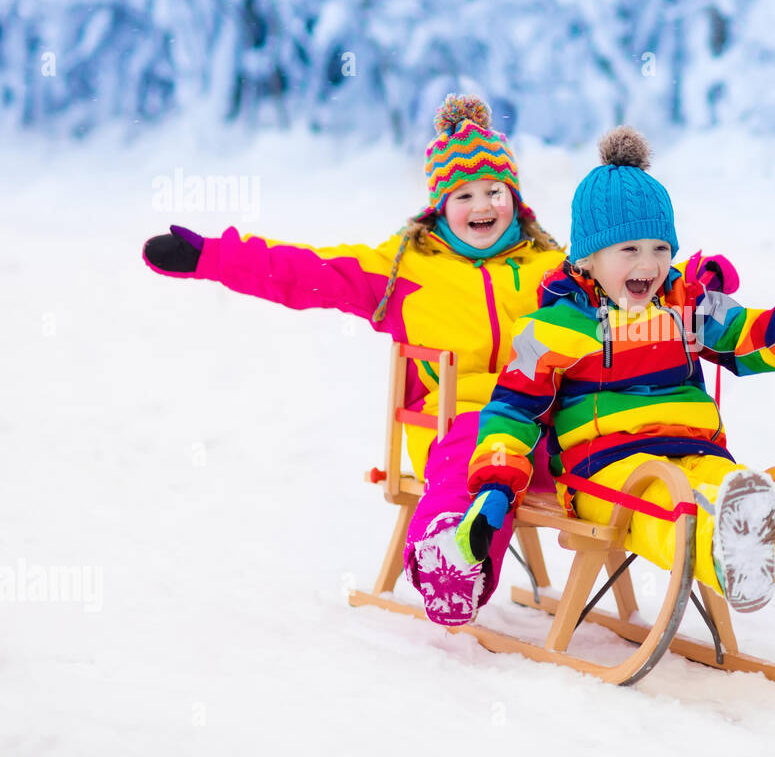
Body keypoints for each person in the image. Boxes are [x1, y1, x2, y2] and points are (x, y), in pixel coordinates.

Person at [141, 96, 736, 626]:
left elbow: (641, 280)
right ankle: (453, 557)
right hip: (465, 424)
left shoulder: (553, 266)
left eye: (494, 191)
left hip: (558, 425)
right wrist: (209, 256)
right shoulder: (407, 269)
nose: (483, 206)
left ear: (515, 197)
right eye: (464, 195)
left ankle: (712, 530)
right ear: (439, 206)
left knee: (617, 445)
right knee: (474, 452)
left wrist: (705, 285)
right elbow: (307, 270)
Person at [457, 126, 775, 621]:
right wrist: (495, 486)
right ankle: (725, 547)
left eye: (660, 248)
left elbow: (749, 341)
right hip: (604, 469)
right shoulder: (551, 328)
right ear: (588, 257)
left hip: (696, 450)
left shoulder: (688, 305)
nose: (649, 265)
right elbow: (511, 411)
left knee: (731, 485)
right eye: (629, 250)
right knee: (667, 505)